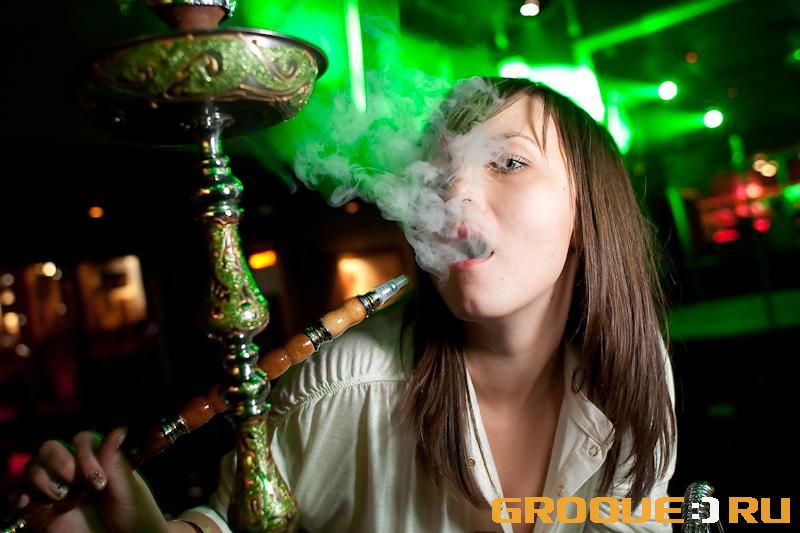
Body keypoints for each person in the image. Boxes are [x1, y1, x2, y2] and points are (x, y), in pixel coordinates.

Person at [16, 77, 677, 532]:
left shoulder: (635, 372)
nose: (455, 193)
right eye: (440, 172)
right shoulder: (344, 382)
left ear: (587, 210)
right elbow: (229, 521)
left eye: (508, 163)